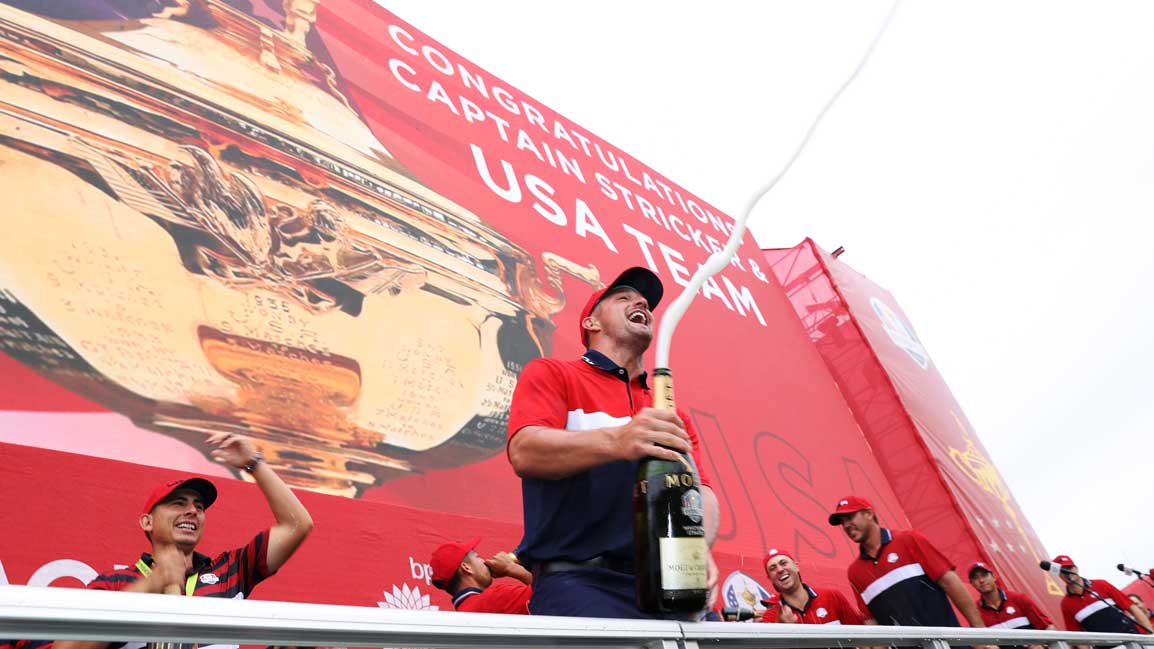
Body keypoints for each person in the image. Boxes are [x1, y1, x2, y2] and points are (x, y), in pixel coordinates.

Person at [506, 266, 720, 618]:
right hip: (582, 584)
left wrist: (697, 548)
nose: (641, 303)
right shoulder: (554, 374)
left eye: (646, 303)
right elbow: (525, 451)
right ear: (591, 323)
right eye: (623, 297)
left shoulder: (669, 411)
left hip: (671, 581)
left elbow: (702, 493)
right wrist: (619, 440)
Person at [55, 433, 314, 649]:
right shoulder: (115, 583)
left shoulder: (230, 571)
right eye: (178, 503)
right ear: (147, 522)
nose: (192, 511)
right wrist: (153, 584)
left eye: (199, 507)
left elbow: (297, 524)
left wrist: (254, 464)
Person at [828, 495, 990, 636]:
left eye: (850, 517)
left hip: (948, 643)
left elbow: (950, 581)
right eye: (842, 522)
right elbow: (871, 620)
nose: (846, 525)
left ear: (869, 514)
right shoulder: (855, 572)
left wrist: (981, 634)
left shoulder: (908, 540)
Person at [759, 547, 863, 626]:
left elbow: (862, 637)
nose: (780, 570)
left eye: (783, 563)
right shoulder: (770, 618)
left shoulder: (832, 597)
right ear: (769, 578)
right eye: (773, 568)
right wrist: (782, 629)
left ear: (796, 566)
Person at [1053, 555, 1152, 635]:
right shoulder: (1065, 604)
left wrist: (1150, 636)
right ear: (1058, 574)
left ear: (1076, 568)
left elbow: (1132, 608)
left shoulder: (1101, 584)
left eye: (1069, 568)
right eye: (1062, 570)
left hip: (1130, 639)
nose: (1067, 572)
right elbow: (1077, 635)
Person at [429, 537, 532, 614]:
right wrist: (511, 568)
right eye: (477, 557)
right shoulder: (495, 598)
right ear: (466, 567)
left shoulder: (462, 615)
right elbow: (546, 592)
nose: (484, 561)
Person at [968, 561, 1054, 631]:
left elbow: (1048, 627)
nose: (981, 580)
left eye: (984, 575)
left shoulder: (1019, 598)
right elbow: (978, 643)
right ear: (972, 583)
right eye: (975, 578)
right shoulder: (975, 612)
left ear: (994, 577)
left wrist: (1041, 645)